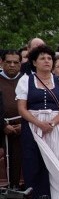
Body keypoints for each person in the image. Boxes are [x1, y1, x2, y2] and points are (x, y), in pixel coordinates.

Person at [15, 45, 59, 199]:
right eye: (42, 58)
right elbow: (21, 108)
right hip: (33, 127)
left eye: (49, 58)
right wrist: (39, 123)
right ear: (34, 62)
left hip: (56, 126)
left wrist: (52, 123)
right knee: (33, 168)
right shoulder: (25, 80)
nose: (47, 61)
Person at [0, 50, 23, 188]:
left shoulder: (26, 80)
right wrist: (2, 125)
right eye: (8, 62)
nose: (12, 65)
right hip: (2, 130)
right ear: (2, 62)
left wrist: (24, 125)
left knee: (19, 163)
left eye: (16, 62)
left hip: (22, 129)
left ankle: (19, 196)